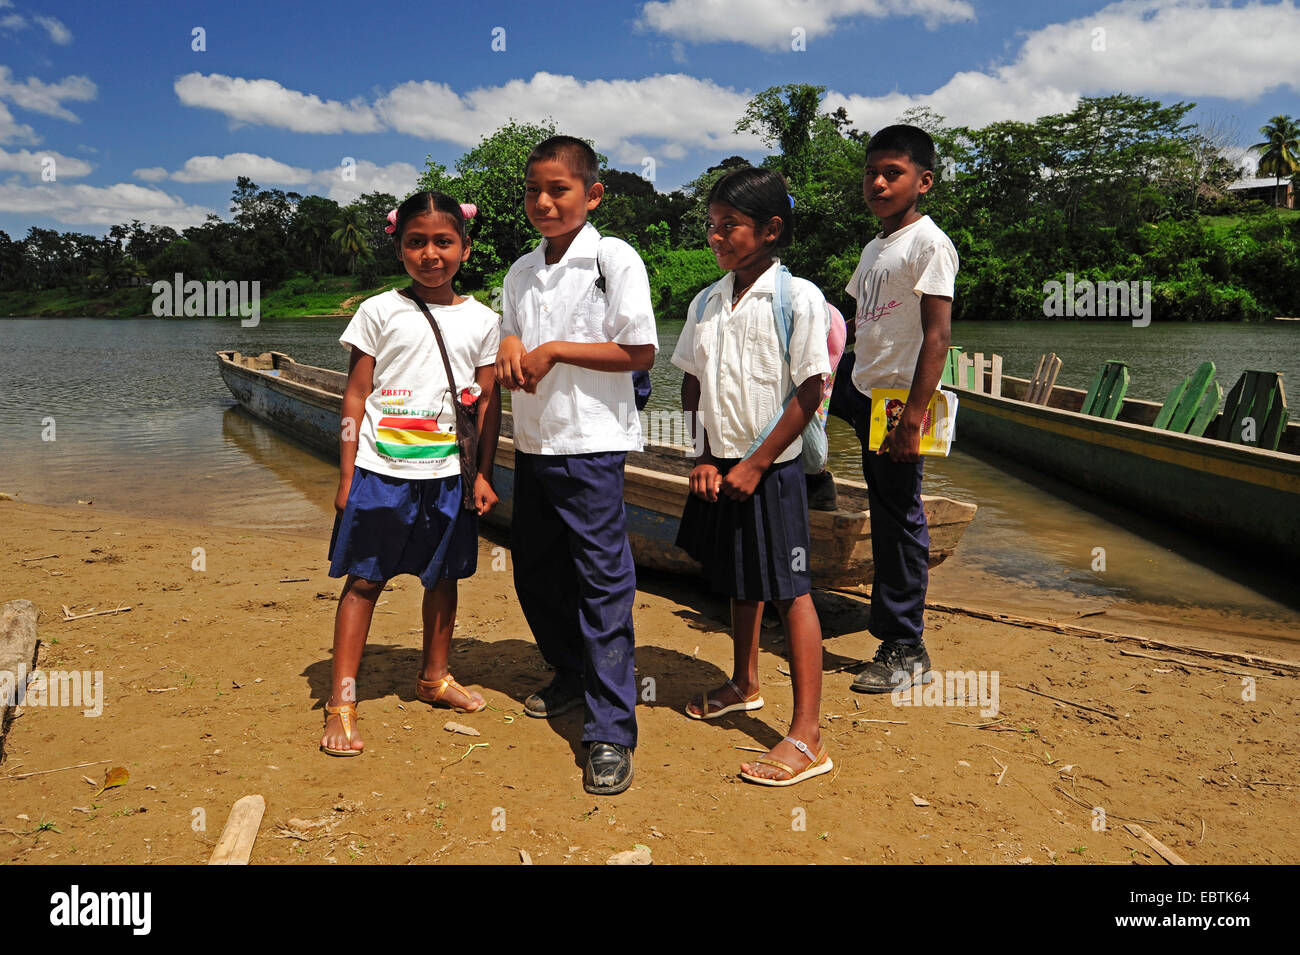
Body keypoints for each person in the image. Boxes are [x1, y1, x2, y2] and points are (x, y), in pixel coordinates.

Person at [496, 135, 658, 795]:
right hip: (534, 445)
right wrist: (511, 342)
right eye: (533, 189)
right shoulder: (520, 270)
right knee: (535, 574)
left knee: (602, 587)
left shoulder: (611, 257)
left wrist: (559, 349)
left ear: (591, 194)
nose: (543, 201)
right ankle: (570, 671)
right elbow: (509, 332)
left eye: (558, 189)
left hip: (590, 446)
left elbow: (640, 350)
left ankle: (611, 730)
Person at [320, 191, 502, 756]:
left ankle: (434, 677)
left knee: (442, 578)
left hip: (448, 474)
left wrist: (482, 475)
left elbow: (488, 406)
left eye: (443, 242)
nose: (430, 254)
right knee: (364, 581)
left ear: (465, 249)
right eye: (416, 242)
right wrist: (348, 471)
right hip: (381, 471)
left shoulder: (483, 320)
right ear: (400, 248)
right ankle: (342, 701)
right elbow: (355, 395)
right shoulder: (378, 311)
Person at [673, 166, 833, 787]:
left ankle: (809, 736)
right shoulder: (708, 300)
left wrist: (756, 462)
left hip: (775, 471)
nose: (717, 238)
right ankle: (744, 682)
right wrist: (704, 456)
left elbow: (810, 389)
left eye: (729, 226)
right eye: (711, 227)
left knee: (791, 590)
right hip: (724, 464)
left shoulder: (798, 298)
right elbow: (692, 381)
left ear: (771, 229)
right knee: (742, 580)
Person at [841, 124, 958, 694]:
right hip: (862, 386)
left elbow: (937, 336)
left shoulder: (928, 244)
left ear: (924, 181)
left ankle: (906, 645)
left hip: (897, 401)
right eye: (871, 173)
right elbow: (857, 319)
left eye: (893, 173)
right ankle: (813, 489)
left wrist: (915, 414)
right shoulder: (875, 247)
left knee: (897, 515)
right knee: (788, 411)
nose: (879, 183)